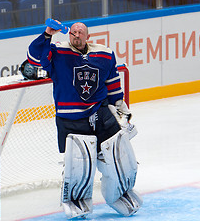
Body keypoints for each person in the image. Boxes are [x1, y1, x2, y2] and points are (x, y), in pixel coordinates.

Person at [25, 20, 142, 219]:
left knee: (120, 158)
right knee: (79, 167)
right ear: (68, 34)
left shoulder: (104, 53)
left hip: (101, 114)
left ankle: (121, 194)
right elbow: (34, 58)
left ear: (88, 36)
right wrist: (47, 34)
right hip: (71, 119)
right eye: (73, 32)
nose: (76, 35)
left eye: (80, 32)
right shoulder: (56, 52)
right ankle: (77, 204)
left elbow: (112, 81)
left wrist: (120, 107)